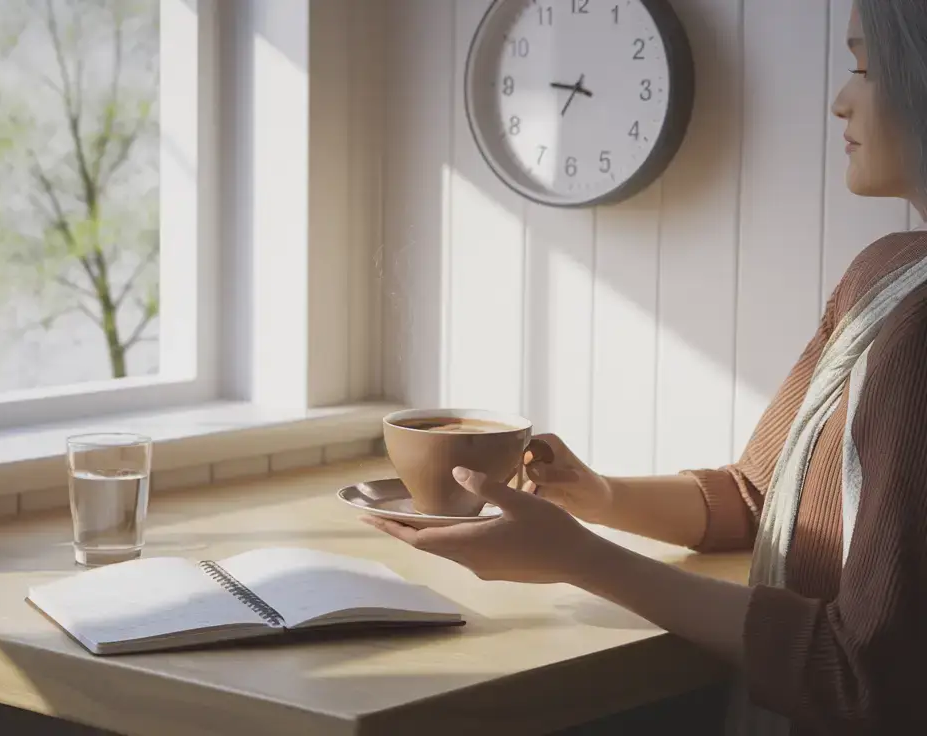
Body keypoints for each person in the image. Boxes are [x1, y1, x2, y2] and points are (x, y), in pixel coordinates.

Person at [362, 3, 927, 735]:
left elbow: (863, 675)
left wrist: (583, 560)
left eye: (862, 66)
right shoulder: (885, 272)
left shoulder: (917, 339)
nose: (838, 98)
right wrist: (596, 496)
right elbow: (756, 501)